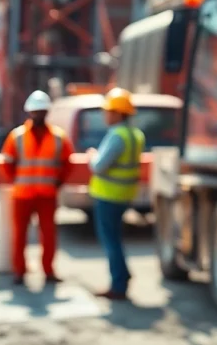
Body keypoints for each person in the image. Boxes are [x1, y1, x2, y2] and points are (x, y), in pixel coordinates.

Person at [0, 90, 73, 285]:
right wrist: (16, 180)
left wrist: (59, 181)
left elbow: (67, 162)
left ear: (47, 112)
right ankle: (19, 271)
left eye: (42, 111)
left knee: (48, 235)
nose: (38, 115)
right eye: (35, 111)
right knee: (19, 235)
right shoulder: (17, 136)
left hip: (47, 194)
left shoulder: (58, 137)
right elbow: (7, 162)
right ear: (29, 112)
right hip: (23, 194)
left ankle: (48, 271)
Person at [86, 87, 144, 300]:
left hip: (109, 196)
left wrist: (92, 156)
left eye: (109, 111)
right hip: (125, 194)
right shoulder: (135, 135)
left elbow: (99, 166)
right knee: (115, 238)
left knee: (111, 240)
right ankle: (123, 274)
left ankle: (119, 284)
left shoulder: (117, 135)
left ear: (119, 113)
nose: (105, 115)